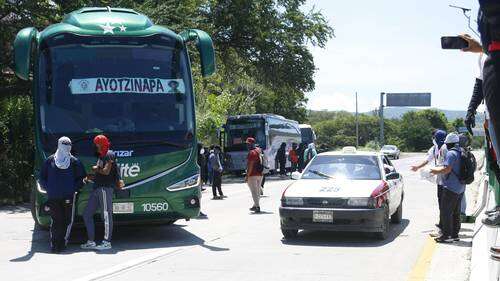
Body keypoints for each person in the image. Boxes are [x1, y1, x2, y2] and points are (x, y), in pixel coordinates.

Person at [39, 137, 86, 253]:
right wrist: (49, 188)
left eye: (68, 144)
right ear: (59, 145)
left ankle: (62, 243)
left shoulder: (74, 161)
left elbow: (82, 178)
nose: (67, 147)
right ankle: (55, 245)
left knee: (66, 220)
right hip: (54, 197)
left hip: (68, 196)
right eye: (65, 144)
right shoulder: (50, 161)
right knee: (57, 220)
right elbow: (42, 178)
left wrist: (73, 188)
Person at [81, 135, 122, 251]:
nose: (95, 145)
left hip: (105, 188)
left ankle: (107, 242)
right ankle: (91, 241)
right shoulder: (101, 155)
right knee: (87, 214)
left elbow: (106, 171)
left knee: (106, 215)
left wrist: (95, 169)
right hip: (97, 188)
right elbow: (101, 174)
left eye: (97, 143)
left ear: (101, 144)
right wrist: (89, 178)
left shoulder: (109, 154)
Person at [430, 133, 465, 243]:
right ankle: (455, 235)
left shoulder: (451, 153)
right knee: (456, 212)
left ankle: (446, 235)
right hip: (461, 187)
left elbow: (447, 169)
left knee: (446, 212)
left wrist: (434, 171)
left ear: (449, 144)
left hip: (450, 187)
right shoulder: (462, 151)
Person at [410, 129, 447, 232]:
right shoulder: (435, 148)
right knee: (441, 202)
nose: (433, 139)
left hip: (448, 181)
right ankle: (442, 223)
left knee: (446, 204)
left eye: (434, 137)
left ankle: (447, 227)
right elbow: (428, 159)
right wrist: (418, 167)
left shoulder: (447, 148)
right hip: (440, 180)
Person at [245, 137, 263, 213]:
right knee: (258, 191)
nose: (247, 145)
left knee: (254, 191)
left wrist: (247, 175)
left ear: (251, 144)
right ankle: (255, 205)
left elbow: (251, 165)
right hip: (260, 174)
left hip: (253, 174)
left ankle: (257, 206)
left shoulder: (252, 152)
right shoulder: (259, 150)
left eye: (248, 144)